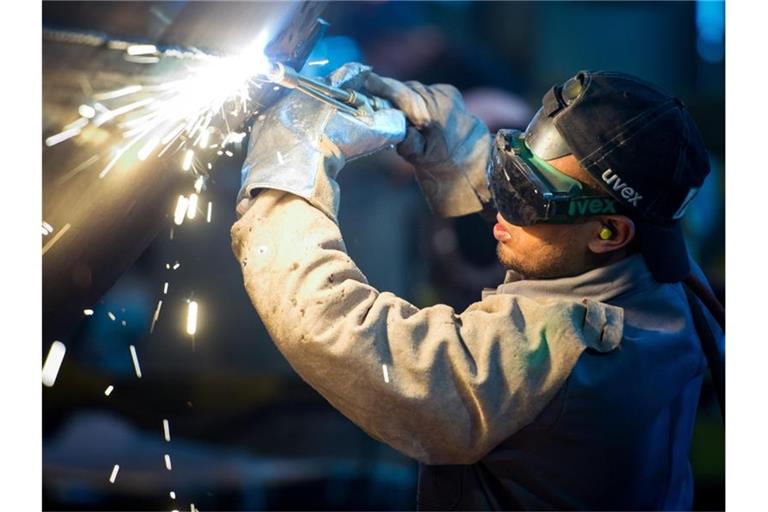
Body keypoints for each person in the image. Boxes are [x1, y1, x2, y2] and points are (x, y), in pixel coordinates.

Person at [231, 63, 724, 510]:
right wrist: (444, 137)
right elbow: (560, 201)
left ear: (610, 232)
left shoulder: (564, 348)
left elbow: (340, 333)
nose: (505, 205)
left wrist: (283, 180)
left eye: (527, 194)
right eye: (509, 165)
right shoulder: (668, 277)